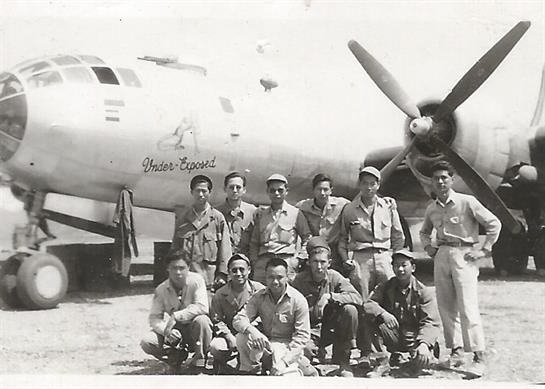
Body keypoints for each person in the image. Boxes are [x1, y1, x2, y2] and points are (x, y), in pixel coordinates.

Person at [419, 161, 501, 373]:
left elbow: (494, 224)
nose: (440, 182)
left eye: (444, 177)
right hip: (442, 255)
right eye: (436, 178)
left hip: (464, 254)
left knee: (467, 306)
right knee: (446, 307)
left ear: (452, 179)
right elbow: (424, 231)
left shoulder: (467, 202)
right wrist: (428, 247)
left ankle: (478, 355)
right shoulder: (432, 208)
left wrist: (484, 250)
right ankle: (455, 353)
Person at [338, 166, 405, 358]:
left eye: (372, 184)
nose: (368, 188)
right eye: (365, 183)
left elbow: (398, 236)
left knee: (392, 301)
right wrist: (346, 260)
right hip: (361, 259)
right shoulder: (350, 209)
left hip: (385, 257)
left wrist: (395, 258)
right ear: (359, 185)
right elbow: (343, 239)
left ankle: (395, 346)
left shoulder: (388, 206)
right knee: (364, 305)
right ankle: (369, 349)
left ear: (378, 185)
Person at [232, 257, 317, 376]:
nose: (275, 282)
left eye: (280, 277)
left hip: (287, 348)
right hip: (266, 345)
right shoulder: (259, 296)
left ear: (287, 277)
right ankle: (250, 371)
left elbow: (302, 338)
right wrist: (253, 332)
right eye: (271, 277)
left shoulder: (298, 300)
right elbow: (238, 319)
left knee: (286, 377)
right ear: (266, 277)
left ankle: (300, 368)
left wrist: (284, 362)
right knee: (242, 337)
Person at [292, 236, 362, 377]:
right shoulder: (299, 281)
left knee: (350, 310)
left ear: (329, 263)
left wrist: (330, 297)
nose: (319, 266)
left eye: (323, 262)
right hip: (310, 330)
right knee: (305, 353)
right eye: (315, 262)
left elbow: (357, 298)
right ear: (309, 262)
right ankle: (318, 354)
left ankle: (344, 360)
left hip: (331, 329)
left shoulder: (334, 277)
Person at [364, 249, 440, 375]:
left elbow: (430, 322)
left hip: (415, 338)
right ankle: (381, 361)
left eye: (404, 265)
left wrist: (424, 344)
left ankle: (408, 359)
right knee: (369, 318)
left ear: (413, 267)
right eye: (396, 265)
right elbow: (368, 304)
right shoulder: (386, 286)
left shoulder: (423, 292)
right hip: (394, 334)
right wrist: (383, 313)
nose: (400, 269)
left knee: (422, 364)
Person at [140, 255, 213, 373]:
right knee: (147, 341)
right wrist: (166, 331)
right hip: (176, 332)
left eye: (182, 268)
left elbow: (203, 307)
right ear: (168, 269)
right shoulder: (161, 289)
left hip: (195, 329)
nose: (178, 272)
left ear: (188, 268)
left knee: (202, 320)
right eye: (174, 268)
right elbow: (154, 318)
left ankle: (199, 364)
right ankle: (175, 359)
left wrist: (176, 315)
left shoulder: (197, 280)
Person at [168, 175, 232, 291]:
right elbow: (175, 249)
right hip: (187, 277)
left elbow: (225, 249)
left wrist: (223, 274)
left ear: (210, 192)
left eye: (204, 191)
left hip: (209, 279)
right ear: (192, 192)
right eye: (198, 191)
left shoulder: (217, 218)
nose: (201, 194)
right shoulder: (183, 217)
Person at [248, 174, 311, 283]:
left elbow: (307, 238)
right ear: (267, 191)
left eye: (280, 190)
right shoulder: (261, 214)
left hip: (286, 262)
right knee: (260, 295)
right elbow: (254, 241)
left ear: (287, 191)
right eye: (272, 190)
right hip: (263, 264)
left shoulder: (295, 213)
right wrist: (255, 261)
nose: (276, 193)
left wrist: (299, 260)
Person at [209, 253, 265, 374]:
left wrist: (251, 329)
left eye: (242, 269)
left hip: (252, 334)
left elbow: (265, 314)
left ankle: (254, 369)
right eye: (234, 270)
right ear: (228, 273)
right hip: (230, 335)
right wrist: (229, 337)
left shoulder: (259, 290)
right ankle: (224, 365)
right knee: (215, 346)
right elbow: (217, 320)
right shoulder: (220, 294)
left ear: (249, 270)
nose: (238, 274)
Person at [296, 173, 350, 274]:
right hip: (313, 254)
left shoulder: (342, 204)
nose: (322, 193)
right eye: (318, 189)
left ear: (331, 190)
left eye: (325, 189)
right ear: (313, 190)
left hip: (334, 254)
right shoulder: (303, 207)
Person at [215, 171, 257, 255]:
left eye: (238, 187)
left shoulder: (253, 212)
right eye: (231, 187)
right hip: (223, 259)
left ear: (244, 190)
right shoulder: (216, 213)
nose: (234, 190)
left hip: (246, 260)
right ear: (225, 189)